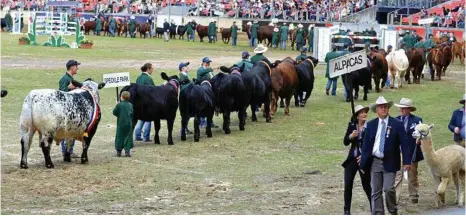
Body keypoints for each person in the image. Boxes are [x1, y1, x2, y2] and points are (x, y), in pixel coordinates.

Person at [360, 96, 412, 215]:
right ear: (376, 110)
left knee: (389, 189)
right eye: (381, 107)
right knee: (375, 190)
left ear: (388, 109)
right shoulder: (371, 125)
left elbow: (404, 144)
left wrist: (407, 162)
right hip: (375, 162)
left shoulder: (397, 124)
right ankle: (378, 213)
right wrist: (363, 164)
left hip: (390, 161)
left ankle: (392, 210)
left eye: (385, 107)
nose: (383, 109)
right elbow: (366, 146)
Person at [342, 105, 372, 215]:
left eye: (365, 112)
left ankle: (374, 207)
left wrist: (365, 156)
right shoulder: (352, 126)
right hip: (352, 159)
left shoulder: (369, 127)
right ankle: (346, 210)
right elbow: (345, 142)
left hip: (363, 160)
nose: (364, 114)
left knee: (367, 185)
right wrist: (351, 136)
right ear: (357, 115)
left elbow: (371, 145)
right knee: (348, 183)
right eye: (362, 112)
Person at [393, 98, 423, 204]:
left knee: (412, 174)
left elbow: (422, 134)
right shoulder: (395, 120)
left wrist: (420, 140)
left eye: (404, 108)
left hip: (412, 152)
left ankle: (413, 195)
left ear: (409, 109)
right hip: (399, 152)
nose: (401, 110)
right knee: (398, 174)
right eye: (400, 108)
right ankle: (395, 197)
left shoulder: (417, 120)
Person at [58, 60, 82, 158]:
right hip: (66, 110)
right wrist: (69, 88)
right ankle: (66, 151)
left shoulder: (70, 78)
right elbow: (61, 94)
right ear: (72, 67)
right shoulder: (64, 79)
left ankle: (69, 151)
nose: (78, 68)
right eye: (76, 66)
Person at [134, 63, 155, 142]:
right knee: (148, 119)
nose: (153, 70)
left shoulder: (139, 78)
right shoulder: (148, 79)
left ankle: (137, 135)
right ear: (148, 69)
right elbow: (153, 89)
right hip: (147, 102)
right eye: (152, 68)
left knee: (141, 119)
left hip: (139, 102)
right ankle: (146, 136)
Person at [197, 57, 219, 128]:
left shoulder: (208, 70)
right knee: (203, 105)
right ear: (203, 63)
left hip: (210, 89)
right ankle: (202, 122)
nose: (208, 64)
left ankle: (210, 122)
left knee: (211, 106)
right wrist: (213, 68)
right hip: (203, 90)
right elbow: (203, 72)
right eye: (207, 63)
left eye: (209, 63)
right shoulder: (200, 69)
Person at [113, 91, 134, 157]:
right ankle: (127, 152)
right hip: (129, 124)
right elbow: (132, 113)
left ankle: (119, 152)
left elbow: (114, 112)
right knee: (127, 137)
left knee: (119, 137)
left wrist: (117, 105)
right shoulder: (130, 105)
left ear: (122, 97)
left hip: (121, 124)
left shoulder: (119, 105)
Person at [178, 62, 194, 135]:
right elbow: (184, 87)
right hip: (185, 97)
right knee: (185, 114)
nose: (187, 68)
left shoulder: (185, 75)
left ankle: (185, 129)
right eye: (186, 67)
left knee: (186, 114)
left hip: (187, 97)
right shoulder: (182, 76)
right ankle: (183, 129)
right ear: (182, 69)